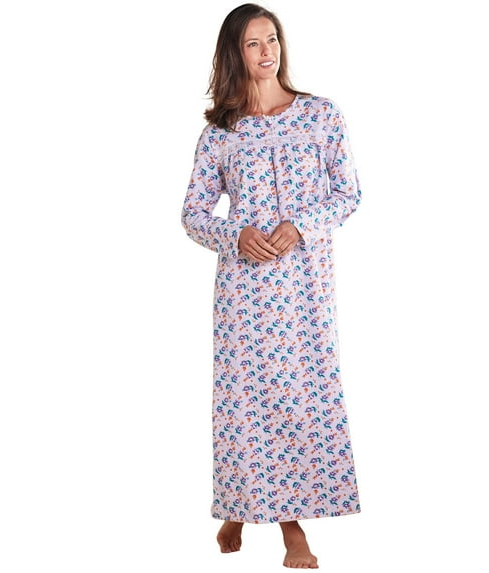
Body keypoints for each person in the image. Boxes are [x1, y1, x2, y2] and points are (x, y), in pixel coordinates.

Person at [181, 3, 362, 568]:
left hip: (306, 289)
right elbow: (192, 214)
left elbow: (348, 194)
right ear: (234, 54)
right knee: (246, 402)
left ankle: (257, 511)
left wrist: (301, 225)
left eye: (273, 40)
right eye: (253, 43)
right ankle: (279, 524)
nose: (267, 52)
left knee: (300, 397)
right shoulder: (222, 132)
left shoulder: (320, 115)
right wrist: (235, 235)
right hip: (246, 291)